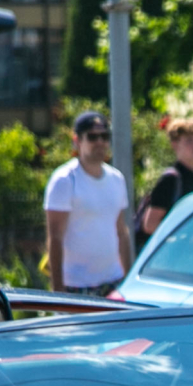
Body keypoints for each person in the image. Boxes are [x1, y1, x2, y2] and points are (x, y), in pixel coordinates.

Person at [41, 111, 131, 293]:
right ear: (77, 141)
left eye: (104, 136)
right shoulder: (64, 180)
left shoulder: (116, 179)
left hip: (112, 281)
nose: (99, 142)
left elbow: (121, 231)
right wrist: (58, 288)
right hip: (76, 284)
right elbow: (55, 237)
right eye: (92, 137)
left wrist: (129, 281)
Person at [138, 116, 193, 246]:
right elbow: (150, 224)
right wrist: (182, 237)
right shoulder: (171, 179)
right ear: (175, 145)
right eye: (188, 141)